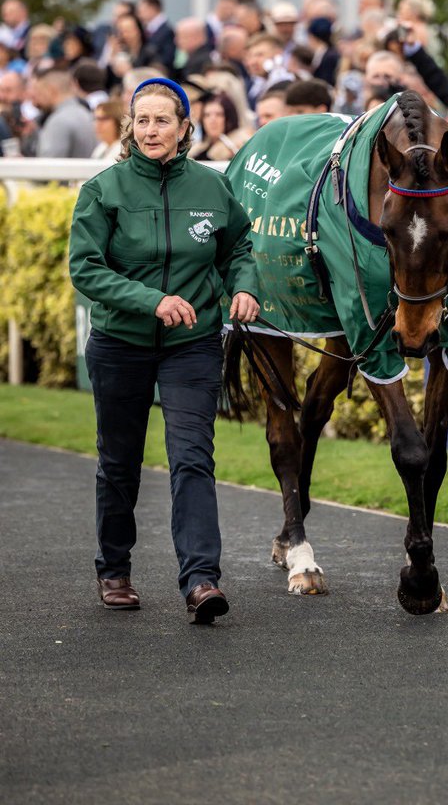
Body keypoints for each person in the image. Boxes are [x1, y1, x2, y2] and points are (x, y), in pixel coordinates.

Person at [69, 77, 261, 623]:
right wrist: (151, 301)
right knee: (119, 462)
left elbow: (238, 247)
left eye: (162, 121)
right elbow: (85, 268)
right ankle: (114, 569)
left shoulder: (211, 186)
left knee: (193, 458)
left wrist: (244, 286)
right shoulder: (103, 190)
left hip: (191, 346)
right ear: (131, 128)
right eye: (142, 120)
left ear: (184, 129)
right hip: (119, 344)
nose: (151, 130)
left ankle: (201, 580)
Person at [32, 68, 97, 158]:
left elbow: (47, 166)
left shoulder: (58, 121)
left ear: (50, 91)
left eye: (40, 92)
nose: (38, 98)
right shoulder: (87, 114)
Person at [189, 91, 252, 161]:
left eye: (219, 114)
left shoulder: (240, 145)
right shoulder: (196, 150)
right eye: (207, 115)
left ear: (229, 118)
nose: (212, 120)